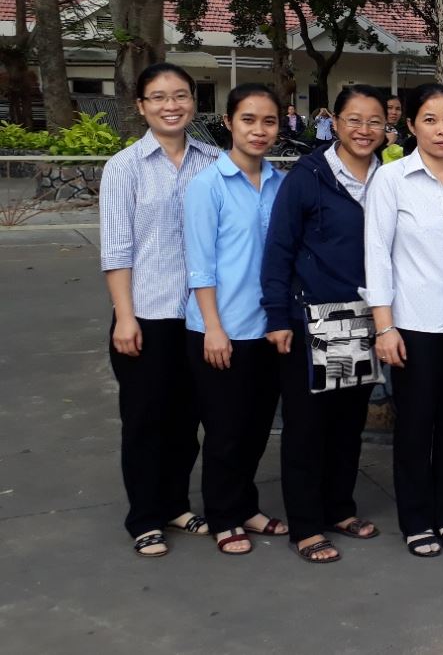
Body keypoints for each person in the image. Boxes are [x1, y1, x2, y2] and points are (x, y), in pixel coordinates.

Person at [261, 85, 388, 563]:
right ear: (334, 122)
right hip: (315, 317)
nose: (364, 130)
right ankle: (306, 524)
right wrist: (278, 316)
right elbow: (279, 249)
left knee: (347, 421)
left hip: (365, 317)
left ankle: (339, 508)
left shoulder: (388, 176)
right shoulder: (309, 177)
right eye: (354, 119)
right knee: (307, 426)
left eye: (374, 121)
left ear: (387, 128)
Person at [100, 63, 220, 558]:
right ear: (141, 105)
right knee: (146, 420)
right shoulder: (124, 167)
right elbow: (116, 250)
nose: (171, 105)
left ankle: (175, 504)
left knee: (188, 420)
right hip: (146, 315)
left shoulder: (214, 162)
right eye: (158, 97)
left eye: (180, 95)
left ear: (193, 101)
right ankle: (145, 517)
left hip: (199, 317)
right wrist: (124, 316)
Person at [364, 83, 443, 558]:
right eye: (430, 120)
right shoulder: (391, 181)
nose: (442, 129)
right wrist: (384, 326)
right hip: (413, 325)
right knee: (415, 425)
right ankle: (417, 520)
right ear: (411, 125)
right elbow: (377, 255)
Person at [183, 82, 288, 555]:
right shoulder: (208, 185)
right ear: (228, 122)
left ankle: (246, 506)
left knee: (255, 427)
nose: (258, 130)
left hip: (267, 328)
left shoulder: (280, 184)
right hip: (221, 329)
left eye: (268, 121)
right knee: (225, 431)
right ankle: (223, 515)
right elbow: (199, 263)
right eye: (248, 119)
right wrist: (213, 327)